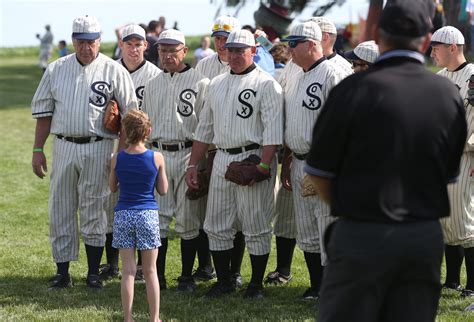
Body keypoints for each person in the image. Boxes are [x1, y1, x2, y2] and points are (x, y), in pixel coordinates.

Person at [305, 1, 467, 321]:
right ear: (425, 39)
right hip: (421, 236)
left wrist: (349, 209)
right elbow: (447, 174)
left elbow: (320, 171)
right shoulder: (447, 94)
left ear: (377, 34)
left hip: (361, 231)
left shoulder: (351, 89)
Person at [31, 15, 138, 290]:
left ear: (99, 41)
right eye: (80, 42)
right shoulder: (56, 69)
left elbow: (130, 116)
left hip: (99, 146)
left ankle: (93, 272)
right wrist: (37, 149)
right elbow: (44, 113)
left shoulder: (114, 70)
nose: (86, 48)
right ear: (74, 40)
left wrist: (122, 153)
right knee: (61, 207)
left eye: (91, 42)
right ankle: (62, 271)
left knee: (95, 208)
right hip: (64, 144)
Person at [186, 29, 283, 299]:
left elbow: (273, 132)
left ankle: (256, 284)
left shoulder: (267, 84)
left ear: (254, 51)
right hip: (222, 159)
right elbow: (204, 130)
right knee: (216, 224)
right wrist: (193, 166)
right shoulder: (216, 83)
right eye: (232, 50)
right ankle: (225, 281)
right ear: (225, 52)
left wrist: (263, 167)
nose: (236, 54)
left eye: (242, 49)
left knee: (255, 225)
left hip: (253, 156)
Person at [279, 21, 345, 300]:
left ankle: (333, 288)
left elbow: (345, 124)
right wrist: (288, 158)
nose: (289, 49)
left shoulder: (333, 74)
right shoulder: (296, 75)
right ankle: (316, 286)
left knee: (328, 226)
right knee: (306, 229)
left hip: (325, 164)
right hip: (299, 161)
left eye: (293, 44)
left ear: (311, 44)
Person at [141, 29, 210, 292]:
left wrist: (199, 162)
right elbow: (146, 125)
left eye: (173, 50)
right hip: (158, 153)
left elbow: (205, 126)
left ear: (184, 51)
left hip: (188, 153)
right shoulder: (153, 84)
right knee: (158, 218)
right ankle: (158, 277)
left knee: (188, 218)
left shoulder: (200, 82)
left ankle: (186, 276)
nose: (168, 55)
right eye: (163, 50)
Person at [100, 24, 162, 283]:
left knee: (141, 202)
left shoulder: (155, 75)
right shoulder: (109, 70)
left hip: (143, 146)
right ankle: (113, 263)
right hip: (112, 144)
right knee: (110, 203)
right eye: (129, 43)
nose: (134, 48)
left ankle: (142, 266)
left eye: (138, 44)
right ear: (121, 44)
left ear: (145, 46)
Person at [195, 15, 247, 288]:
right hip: (210, 146)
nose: (221, 43)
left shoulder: (250, 63)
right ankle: (206, 266)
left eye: (226, 38)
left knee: (237, 215)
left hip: (237, 148)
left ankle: (235, 271)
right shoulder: (204, 65)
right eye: (217, 38)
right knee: (207, 209)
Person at [110, 108, 167, 322]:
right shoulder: (157, 157)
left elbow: (112, 187)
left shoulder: (117, 158)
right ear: (148, 131)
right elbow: (163, 190)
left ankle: (128, 317)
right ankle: (154, 318)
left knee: (128, 271)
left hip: (124, 213)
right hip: (147, 215)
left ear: (124, 131)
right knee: (151, 270)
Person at [430, 25, 474, 298]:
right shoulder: (441, 77)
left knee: (465, 221)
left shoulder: (473, 75)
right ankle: (453, 280)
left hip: (466, 156)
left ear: (453, 47)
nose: (432, 52)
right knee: (445, 221)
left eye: (436, 47)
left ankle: (472, 286)